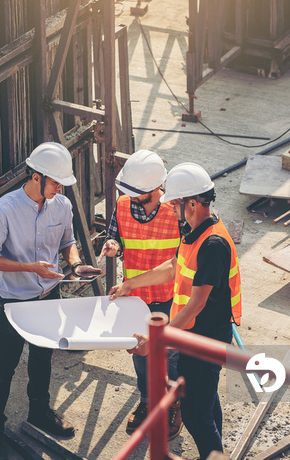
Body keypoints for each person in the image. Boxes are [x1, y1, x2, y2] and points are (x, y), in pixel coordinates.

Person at [109, 162, 242, 459]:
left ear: (191, 203)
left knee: (196, 416)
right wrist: (131, 284)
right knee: (206, 402)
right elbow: (173, 268)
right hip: (195, 335)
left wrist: (157, 340)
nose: (172, 209)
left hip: (206, 339)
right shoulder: (194, 230)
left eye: (176, 204)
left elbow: (196, 304)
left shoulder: (213, 245)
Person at [0, 142, 100, 460]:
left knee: (43, 356)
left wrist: (75, 263)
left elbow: (68, 242)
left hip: (48, 296)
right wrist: (29, 267)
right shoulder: (3, 211)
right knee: (5, 366)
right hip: (12, 303)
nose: (60, 188)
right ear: (35, 176)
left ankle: (39, 411)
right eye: (56, 182)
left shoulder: (61, 206)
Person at [97, 150, 183, 439]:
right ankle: (148, 400)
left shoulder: (176, 210)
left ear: (157, 187)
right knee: (139, 353)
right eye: (131, 193)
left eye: (140, 194)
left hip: (169, 296)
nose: (133, 198)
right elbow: (116, 235)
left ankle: (172, 404)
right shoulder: (123, 204)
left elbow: (179, 263)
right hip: (136, 297)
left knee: (170, 355)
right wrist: (112, 246)